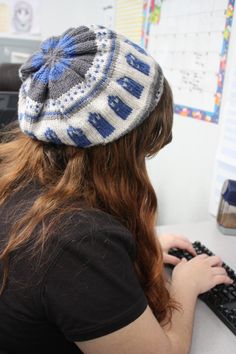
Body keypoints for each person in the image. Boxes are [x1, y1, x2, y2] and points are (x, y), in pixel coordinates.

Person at [0, 25, 233, 354]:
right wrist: (185, 286)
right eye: (143, 148)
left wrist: (132, 253)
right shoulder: (77, 240)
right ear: (118, 144)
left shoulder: (17, 180)